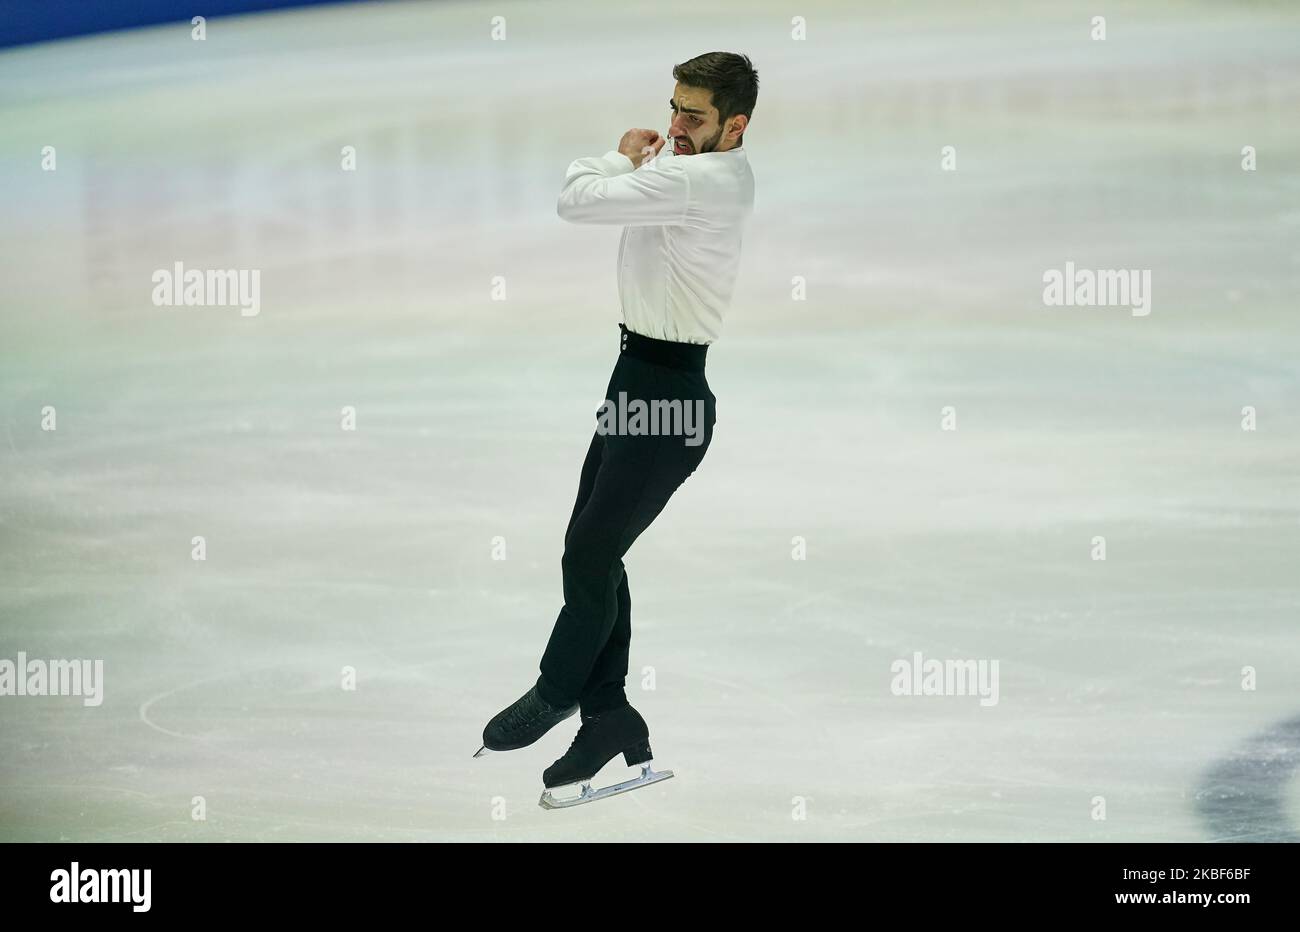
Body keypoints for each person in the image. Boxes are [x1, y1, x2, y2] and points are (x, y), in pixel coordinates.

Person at [477, 52, 759, 803]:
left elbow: (577, 201)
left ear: (736, 125)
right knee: (596, 550)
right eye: (673, 108)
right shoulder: (688, 170)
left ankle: (558, 689)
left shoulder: (698, 180)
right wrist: (646, 159)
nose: (676, 126)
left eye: (694, 116)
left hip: (668, 399)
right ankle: (610, 720)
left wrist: (619, 156)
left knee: (592, 551)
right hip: (635, 378)